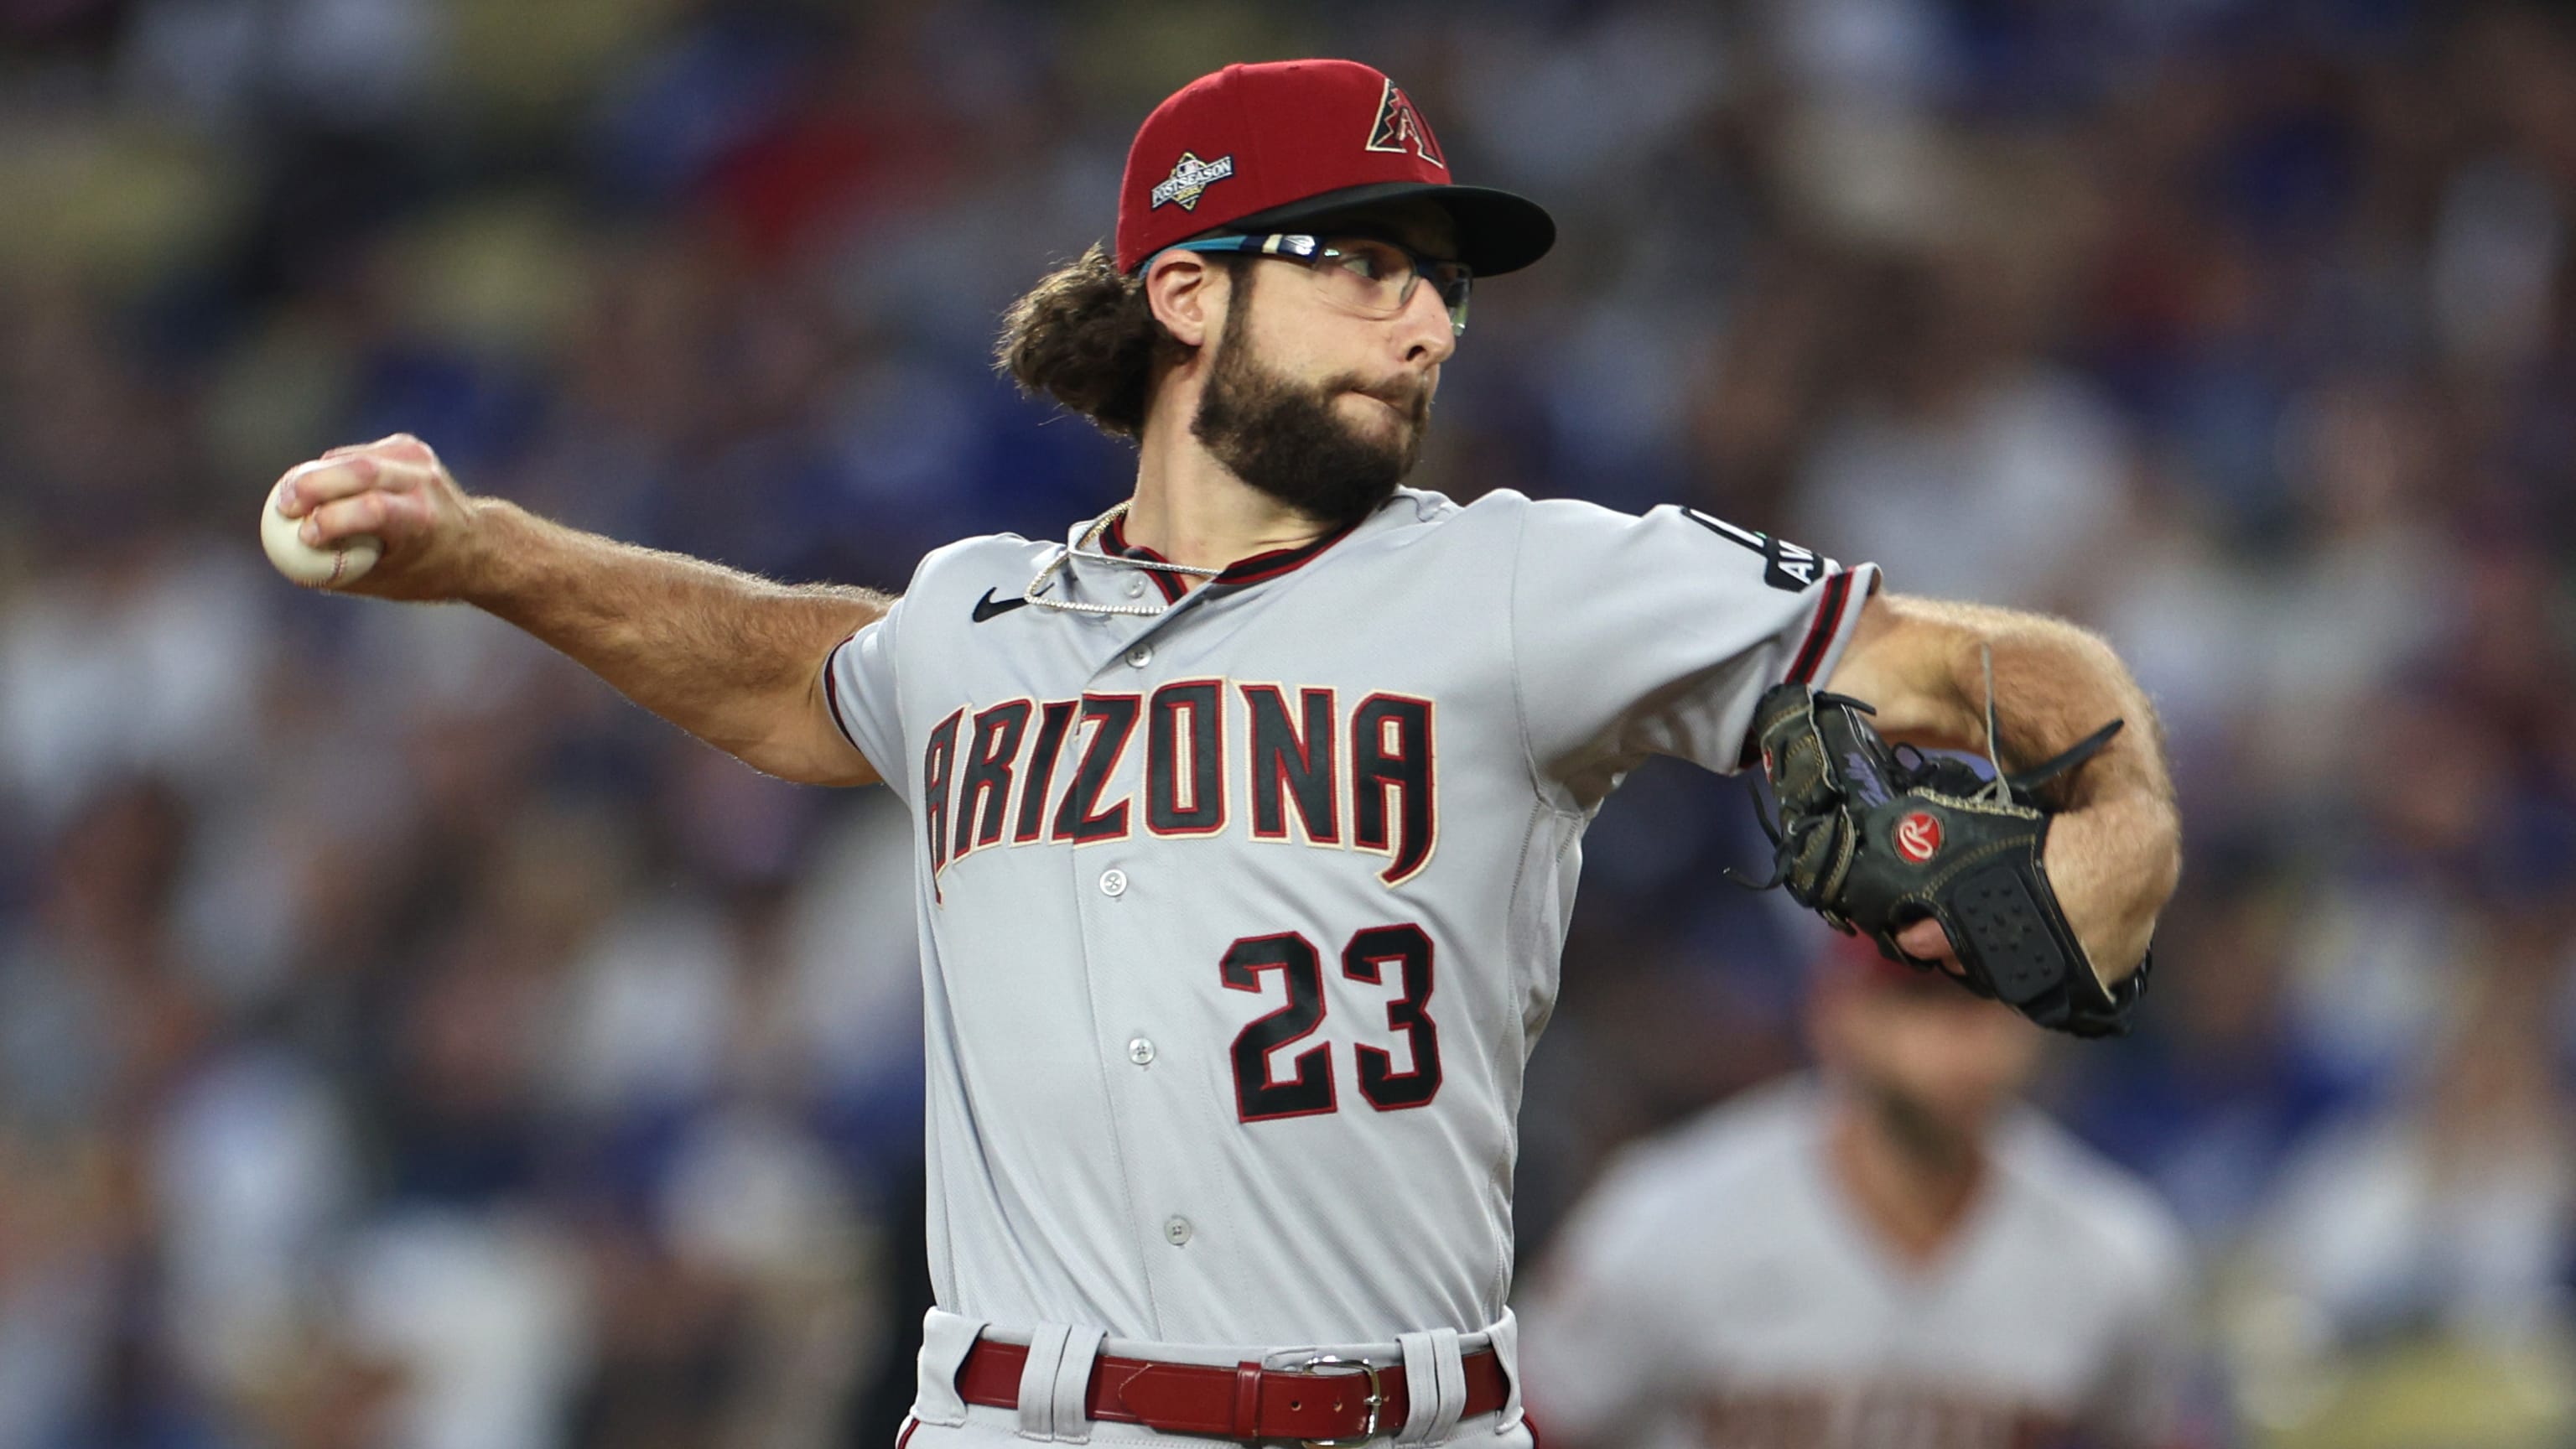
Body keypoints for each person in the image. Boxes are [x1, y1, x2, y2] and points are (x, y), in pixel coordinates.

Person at [266, 59, 2179, 1449]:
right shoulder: (973, 622)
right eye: (1355, 261)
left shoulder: (1529, 583)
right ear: (1182, 290)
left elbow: (2014, 669)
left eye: (1435, 278)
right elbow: (797, 668)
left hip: (1412, 1413)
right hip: (1028, 1416)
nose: (1419, 314)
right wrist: (494, 551)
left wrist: (2112, 836)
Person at [1517, 937, 2199, 1449]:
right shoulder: (1666, 1216)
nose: (1963, 1035)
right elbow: (1519, 1426)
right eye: (1922, 998)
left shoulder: (2114, 1248)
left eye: (1997, 996)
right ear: (1836, 1011)